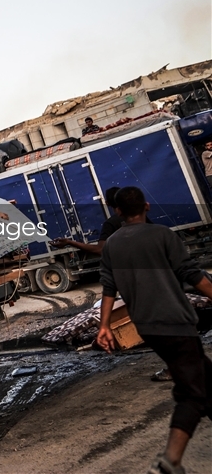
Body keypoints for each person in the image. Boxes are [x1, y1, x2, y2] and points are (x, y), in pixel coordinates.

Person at [96, 186, 212, 474]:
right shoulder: (163, 234)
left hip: (148, 327)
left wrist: (104, 326)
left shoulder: (112, 244)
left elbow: (108, 289)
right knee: (192, 394)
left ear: (118, 211)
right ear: (147, 206)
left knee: (205, 377)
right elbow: (192, 275)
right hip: (176, 322)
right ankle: (169, 463)